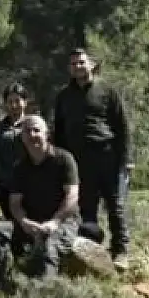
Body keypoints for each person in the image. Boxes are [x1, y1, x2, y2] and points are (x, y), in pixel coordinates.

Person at [51, 49, 133, 263]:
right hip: (77, 159)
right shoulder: (64, 96)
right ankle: (92, 250)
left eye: (81, 62)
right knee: (86, 205)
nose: (77, 66)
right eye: (73, 64)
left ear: (91, 65)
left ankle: (120, 250)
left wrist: (125, 159)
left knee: (115, 204)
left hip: (106, 155)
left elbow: (122, 126)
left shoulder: (107, 90)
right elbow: (58, 131)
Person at [7, 115, 81, 280]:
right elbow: (14, 203)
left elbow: (72, 196)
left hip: (63, 222)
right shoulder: (20, 167)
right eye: (27, 131)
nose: (32, 134)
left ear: (46, 134)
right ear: (22, 137)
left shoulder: (64, 159)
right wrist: (23, 221)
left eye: (36, 130)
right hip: (32, 222)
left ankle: (45, 292)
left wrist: (55, 221)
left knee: (50, 245)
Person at [0, 83, 30, 220]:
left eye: (17, 101)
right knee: (11, 221)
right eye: (10, 102)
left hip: (30, 183)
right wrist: (2, 175)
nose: (14, 105)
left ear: (25, 102)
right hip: (5, 184)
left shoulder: (33, 125)